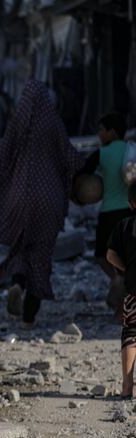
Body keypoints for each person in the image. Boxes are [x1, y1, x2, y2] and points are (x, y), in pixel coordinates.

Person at [0, 80, 84, 326]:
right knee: (40, 255)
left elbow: (1, 158)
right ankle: (29, 316)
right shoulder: (53, 124)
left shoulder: (17, 124)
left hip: (19, 198)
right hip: (49, 199)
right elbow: (71, 158)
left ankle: (17, 283)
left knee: (20, 249)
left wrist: (5, 183)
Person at [92, 112, 129, 309]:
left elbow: (82, 173)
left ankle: (115, 279)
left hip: (109, 212)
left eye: (101, 130)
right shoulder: (131, 150)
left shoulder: (102, 154)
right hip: (129, 213)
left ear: (112, 132)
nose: (99, 134)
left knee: (101, 254)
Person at [106, 181, 136, 400]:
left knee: (131, 334)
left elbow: (110, 255)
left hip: (134, 289)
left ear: (131, 203)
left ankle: (127, 388)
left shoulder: (124, 225)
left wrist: (127, 268)